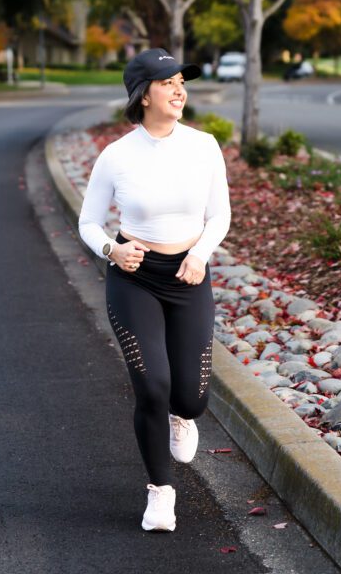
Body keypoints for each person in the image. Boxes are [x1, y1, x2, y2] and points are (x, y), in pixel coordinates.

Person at [78, 48, 231, 532]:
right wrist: (111, 251)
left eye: (182, 81)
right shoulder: (117, 156)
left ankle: (182, 417)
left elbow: (220, 214)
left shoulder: (204, 145)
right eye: (169, 82)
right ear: (144, 95)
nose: (180, 89)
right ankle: (160, 494)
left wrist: (201, 253)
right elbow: (88, 221)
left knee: (191, 396)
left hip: (188, 276)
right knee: (151, 386)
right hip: (134, 278)